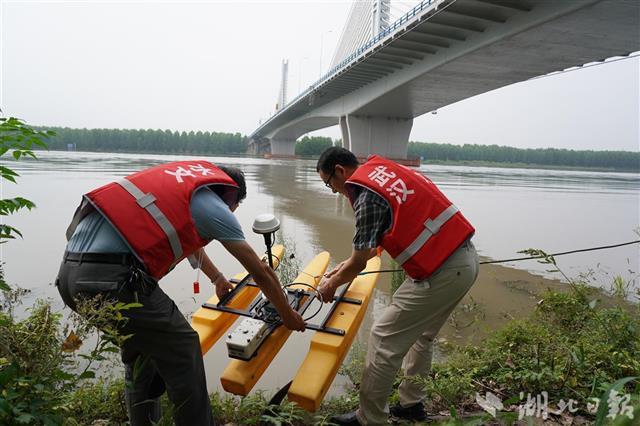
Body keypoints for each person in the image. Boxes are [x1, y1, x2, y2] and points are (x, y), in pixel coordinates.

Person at [56, 160, 305, 426]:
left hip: (70, 278)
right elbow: (261, 271)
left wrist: (218, 278)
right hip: (113, 281)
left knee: (143, 351)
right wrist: (287, 314)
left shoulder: (181, 192)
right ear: (232, 196)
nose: (233, 210)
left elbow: (189, 242)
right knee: (184, 347)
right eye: (236, 205)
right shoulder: (215, 207)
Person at [316, 147, 479, 425]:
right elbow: (365, 253)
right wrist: (342, 268)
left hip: (441, 273)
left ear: (340, 171)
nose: (334, 191)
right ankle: (411, 404)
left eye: (329, 184)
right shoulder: (386, 177)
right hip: (465, 262)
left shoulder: (366, 195)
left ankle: (369, 419)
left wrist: (330, 285)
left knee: (382, 338)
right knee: (423, 336)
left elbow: (359, 264)